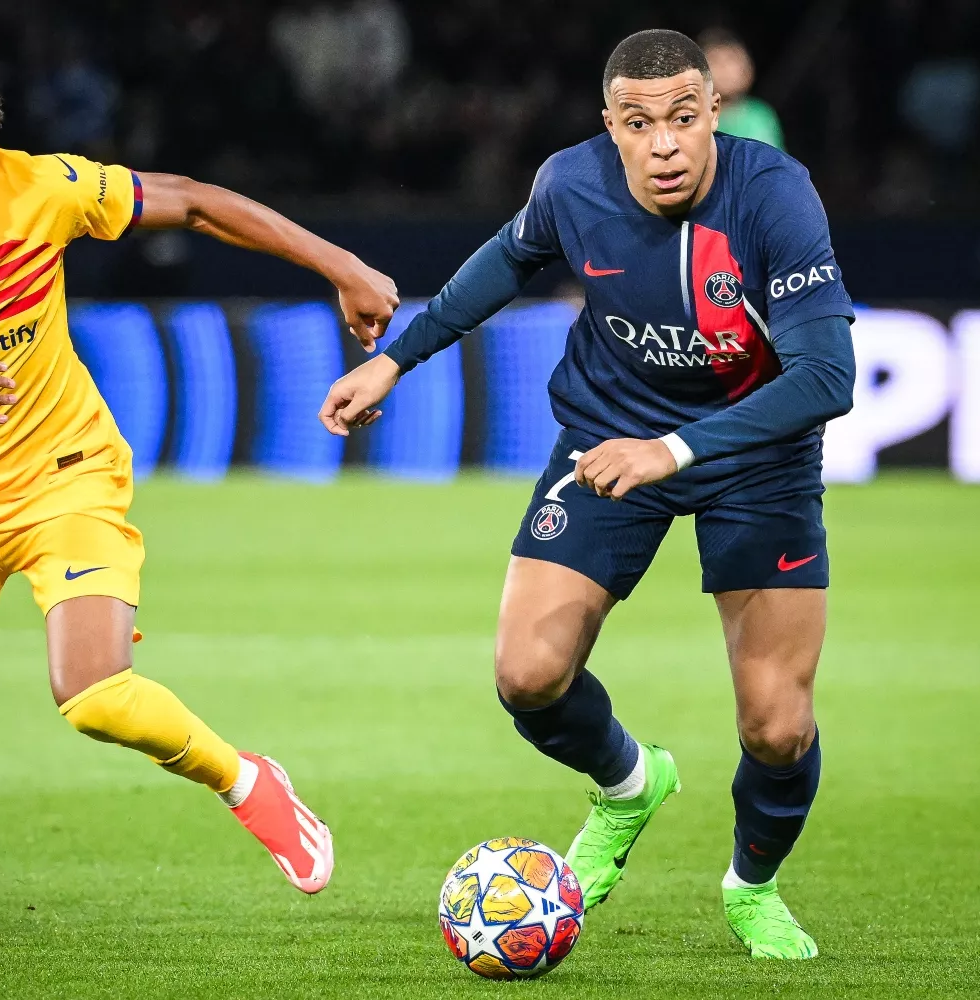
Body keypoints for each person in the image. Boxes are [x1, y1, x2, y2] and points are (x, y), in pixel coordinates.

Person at [0, 45, 398, 939]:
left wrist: (341, 265)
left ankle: (248, 781)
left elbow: (194, 202)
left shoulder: (40, 186)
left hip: (65, 474)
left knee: (92, 694)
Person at [320, 29, 853, 960]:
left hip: (753, 454)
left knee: (776, 726)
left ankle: (752, 886)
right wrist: (396, 359)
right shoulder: (569, 183)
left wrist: (675, 449)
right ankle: (629, 783)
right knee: (527, 677)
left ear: (713, 114)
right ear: (610, 126)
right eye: (640, 124)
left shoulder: (774, 195)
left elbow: (828, 378)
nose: (665, 144)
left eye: (685, 119)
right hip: (609, 438)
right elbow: (504, 262)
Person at [699, 29, 784, 150]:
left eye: (731, 60)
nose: (724, 69)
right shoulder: (696, 117)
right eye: (715, 61)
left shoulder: (760, 116)